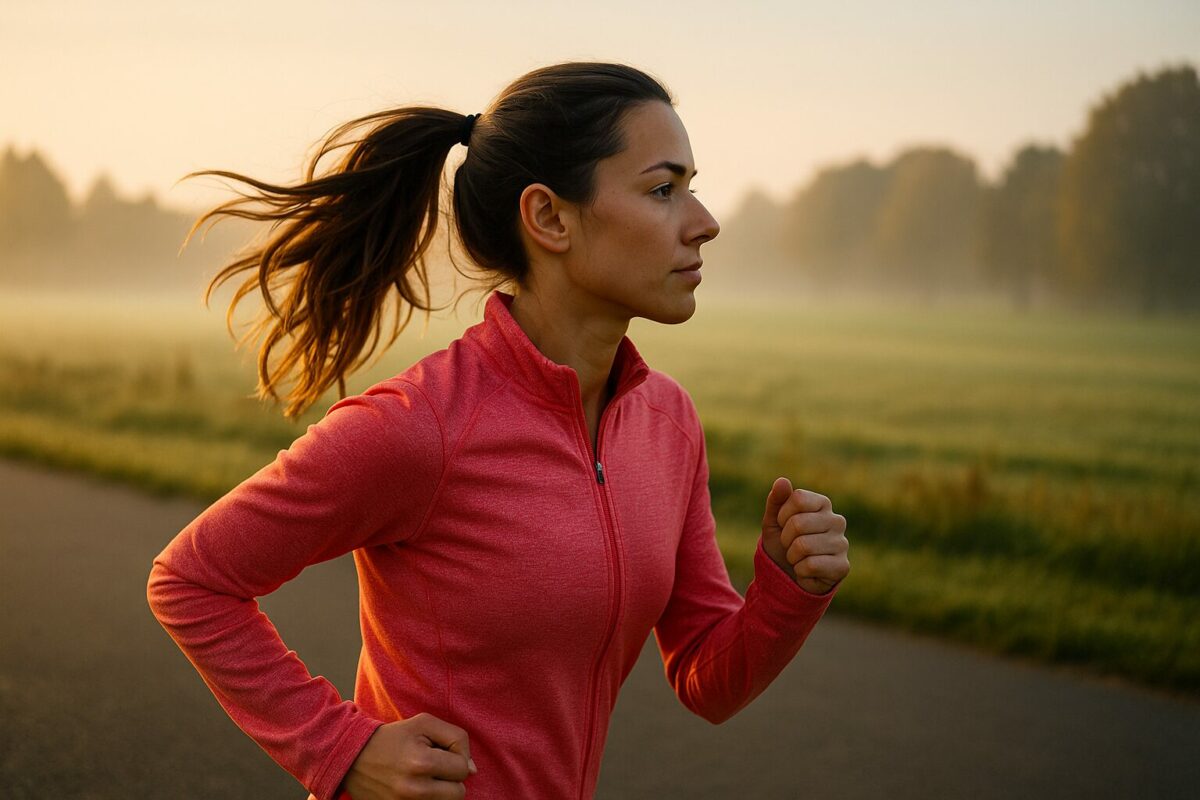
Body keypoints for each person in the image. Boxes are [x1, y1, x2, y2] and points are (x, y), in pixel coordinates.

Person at [147, 61, 850, 800]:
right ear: (549, 218)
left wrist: (787, 589)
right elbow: (191, 580)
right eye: (662, 189)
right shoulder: (421, 426)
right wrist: (342, 748)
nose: (704, 220)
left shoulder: (667, 424)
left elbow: (708, 679)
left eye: (691, 186)